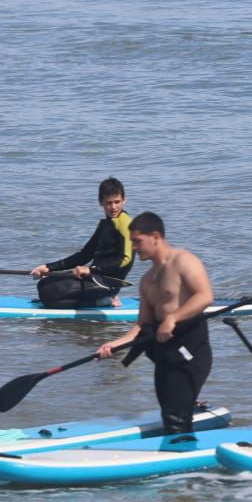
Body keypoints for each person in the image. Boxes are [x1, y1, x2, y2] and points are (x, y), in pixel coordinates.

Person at [95, 213, 214, 434]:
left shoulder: (184, 261)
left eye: (137, 241)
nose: (134, 247)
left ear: (156, 237)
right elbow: (143, 324)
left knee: (176, 413)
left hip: (191, 350)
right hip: (165, 354)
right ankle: (182, 447)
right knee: (169, 412)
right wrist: (115, 345)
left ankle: (184, 456)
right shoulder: (147, 280)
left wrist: (172, 318)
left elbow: (205, 296)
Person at [30, 177, 132, 308]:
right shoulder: (105, 225)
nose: (113, 207)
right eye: (109, 203)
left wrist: (91, 269)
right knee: (44, 284)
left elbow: (125, 259)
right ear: (101, 202)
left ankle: (103, 301)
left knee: (48, 294)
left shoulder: (126, 224)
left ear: (124, 200)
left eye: (117, 202)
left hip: (108, 283)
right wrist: (49, 267)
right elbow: (84, 255)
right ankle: (101, 299)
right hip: (94, 277)